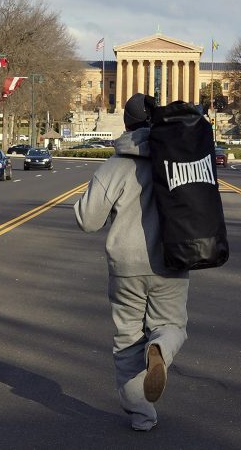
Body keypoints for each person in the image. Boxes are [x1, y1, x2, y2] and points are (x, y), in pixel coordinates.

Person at [74, 93, 190, 431]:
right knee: (172, 326)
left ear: (126, 124)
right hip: (172, 260)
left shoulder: (116, 166)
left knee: (126, 342)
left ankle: (142, 416)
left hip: (126, 265)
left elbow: (87, 220)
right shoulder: (177, 159)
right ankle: (160, 349)